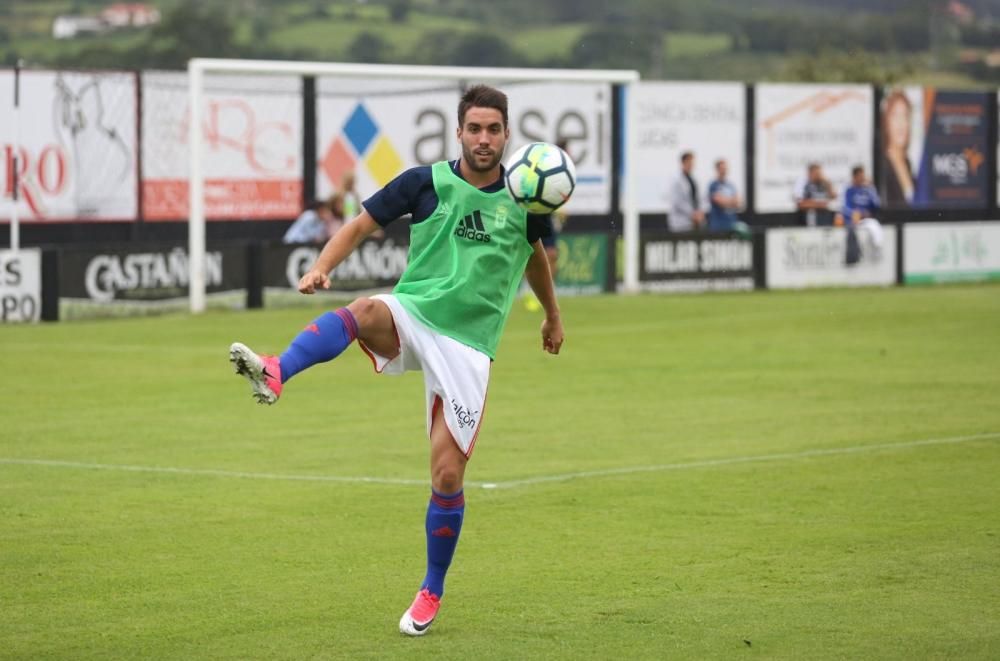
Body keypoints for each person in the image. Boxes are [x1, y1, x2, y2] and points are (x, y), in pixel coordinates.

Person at [229, 85, 564, 637]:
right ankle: (277, 369)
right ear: (458, 132)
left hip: (468, 347)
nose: (484, 139)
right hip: (414, 311)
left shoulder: (527, 196)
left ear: (507, 134)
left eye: (494, 129)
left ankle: (432, 587)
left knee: (447, 475)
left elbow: (535, 258)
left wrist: (552, 315)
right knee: (363, 308)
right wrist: (321, 267)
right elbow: (360, 224)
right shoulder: (423, 182)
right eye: (474, 128)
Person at [881, 90, 914, 207]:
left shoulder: (908, 163)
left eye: (905, 116)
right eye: (895, 116)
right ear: (886, 121)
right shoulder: (882, 164)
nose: (901, 123)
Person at [667, 151, 705, 232]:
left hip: (695, 222)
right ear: (683, 163)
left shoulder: (694, 180)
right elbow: (677, 202)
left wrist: (700, 213)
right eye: (689, 162)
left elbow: (699, 199)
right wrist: (693, 214)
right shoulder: (676, 180)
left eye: (693, 162)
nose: (691, 165)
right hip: (681, 223)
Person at [794, 163, 836, 227]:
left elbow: (834, 196)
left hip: (825, 214)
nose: (818, 175)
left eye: (820, 173)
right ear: (810, 173)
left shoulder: (824, 183)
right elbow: (800, 203)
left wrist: (828, 184)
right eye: (816, 173)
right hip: (810, 214)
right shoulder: (803, 183)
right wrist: (818, 205)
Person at [707, 159, 743, 233]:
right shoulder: (713, 185)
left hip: (731, 223)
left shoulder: (731, 185)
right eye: (722, 168)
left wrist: (727, 201)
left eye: (725, 168)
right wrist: (731, 201)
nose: (724, 170)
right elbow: (720, 202)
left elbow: (739, 203)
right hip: (718, 225)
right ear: (717, 169)